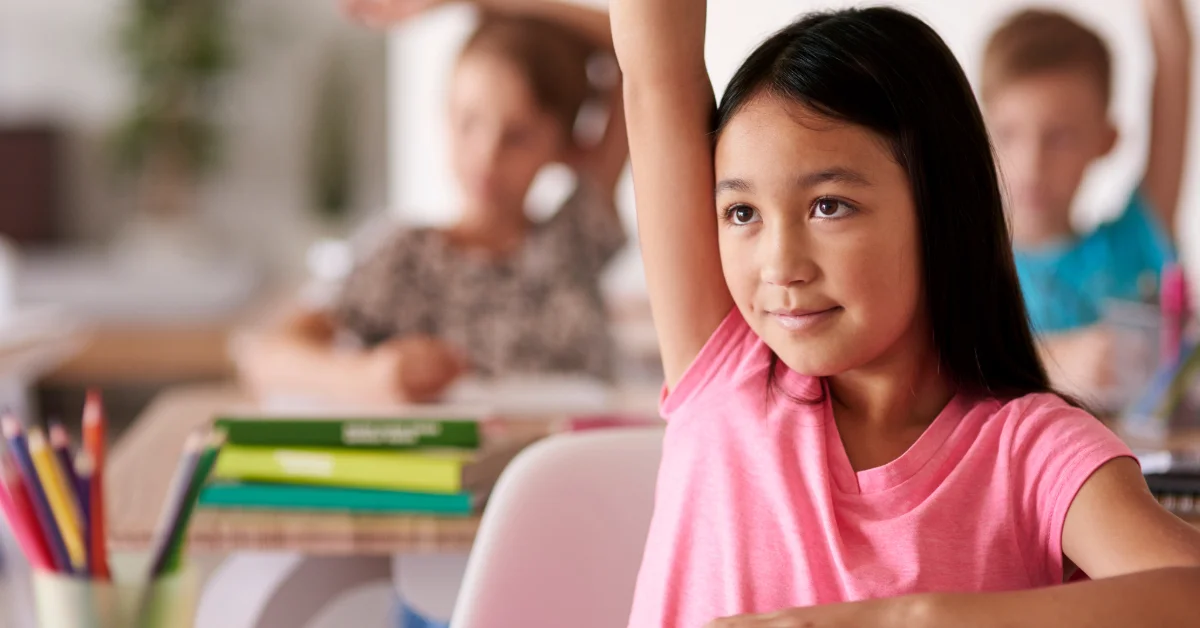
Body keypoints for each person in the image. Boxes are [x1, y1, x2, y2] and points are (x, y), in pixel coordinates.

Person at [609, 2, 1200, 626]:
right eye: (742, 213)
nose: (781, 266)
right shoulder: (725, 368)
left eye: (829, 206)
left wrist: (908, 619)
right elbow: (656, 69)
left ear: (941, 211)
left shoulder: (1031, 452)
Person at [235, 0, 628, 405]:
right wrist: (369, 375)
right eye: (468, 121)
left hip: (572, 462)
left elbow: (642, 54)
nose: (487, 156)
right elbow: (264, 358)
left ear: (566, 145)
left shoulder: (575, 235)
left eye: (518, 135)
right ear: (444, 116)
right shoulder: (403, 256)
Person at [982, 2, 1192, 397]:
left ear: (1106, 140)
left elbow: (1174, 56)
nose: (1032, 164)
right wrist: (1054, 362)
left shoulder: (1132, 244)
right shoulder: (959, 266)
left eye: (1059, 137)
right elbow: (936, 373)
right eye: (1008, 133)